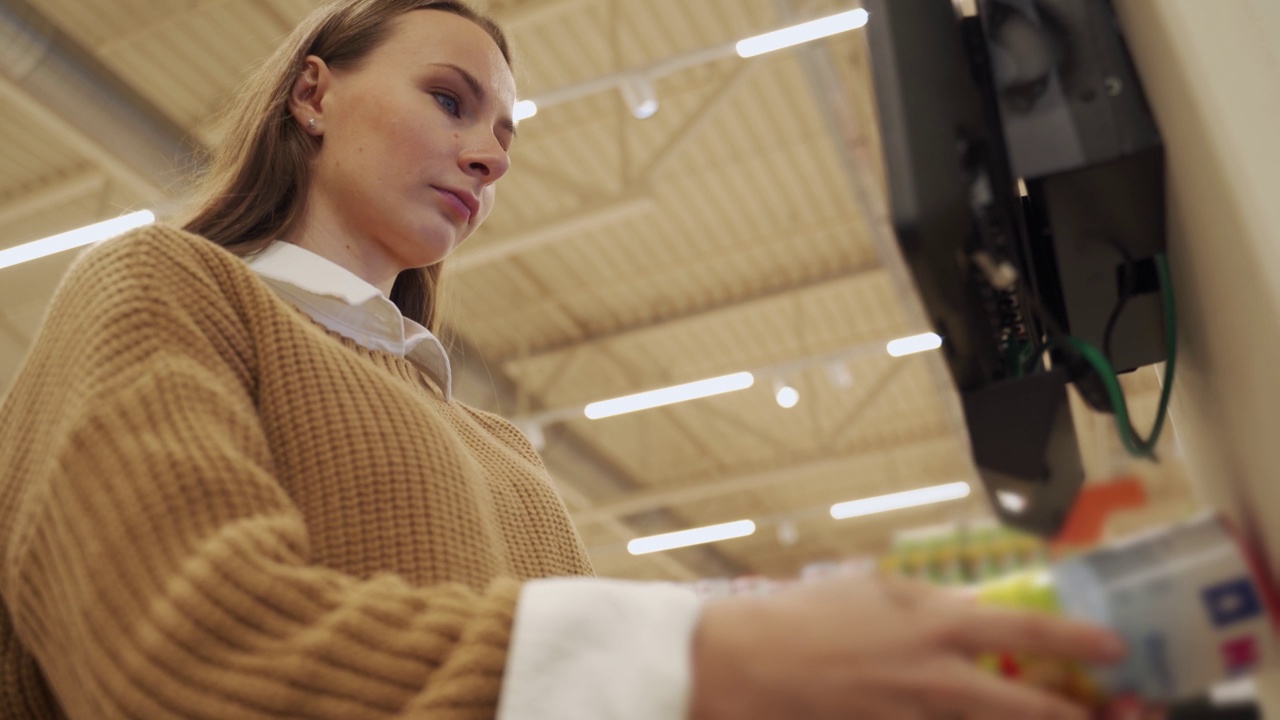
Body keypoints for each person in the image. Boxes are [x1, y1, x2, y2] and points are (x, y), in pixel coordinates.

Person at [0, 1, 1137, 718]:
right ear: (314, 93)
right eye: (450, 101)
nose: (488, 155)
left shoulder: (499, 450)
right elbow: (180, 658)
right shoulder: (168, 289)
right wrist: (708, 653)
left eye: (505, 133)